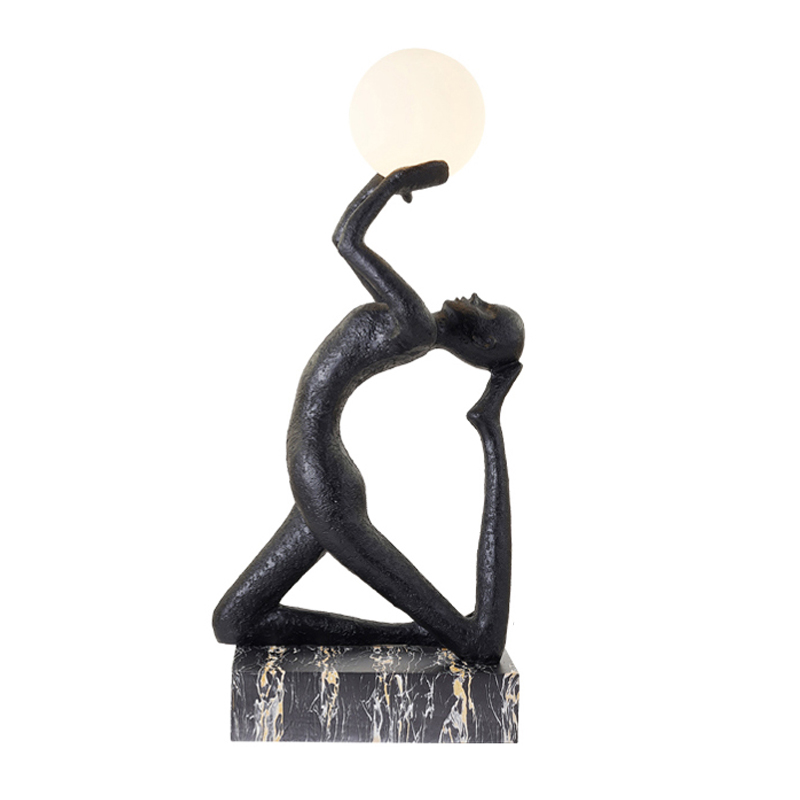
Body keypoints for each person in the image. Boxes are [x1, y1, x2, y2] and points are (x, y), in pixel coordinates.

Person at [213, 161, 524, 663]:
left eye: (488, 309)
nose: (475, 297)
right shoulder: (414, 327)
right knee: (234, 622)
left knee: (479, 644)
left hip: (323, 483)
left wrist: (394, 181)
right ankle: (417, 634)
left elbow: (346, 238)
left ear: (483, 341)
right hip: (322, 476)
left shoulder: (415, 325)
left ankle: (438, 631)